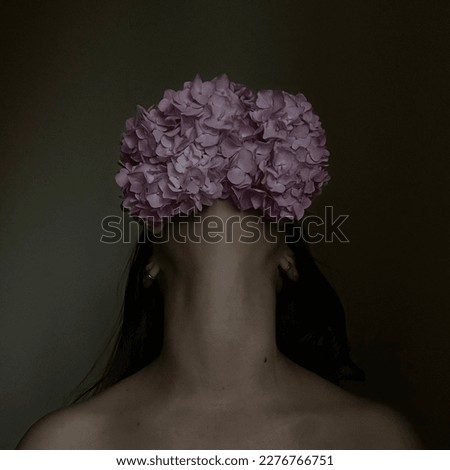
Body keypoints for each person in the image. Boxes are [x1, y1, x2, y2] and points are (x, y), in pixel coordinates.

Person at [16, 74, 421, 449]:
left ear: (289, 261)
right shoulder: (63, 445)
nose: (220, 185)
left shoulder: (375, 440)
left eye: (255, 191)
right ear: (149, 266)